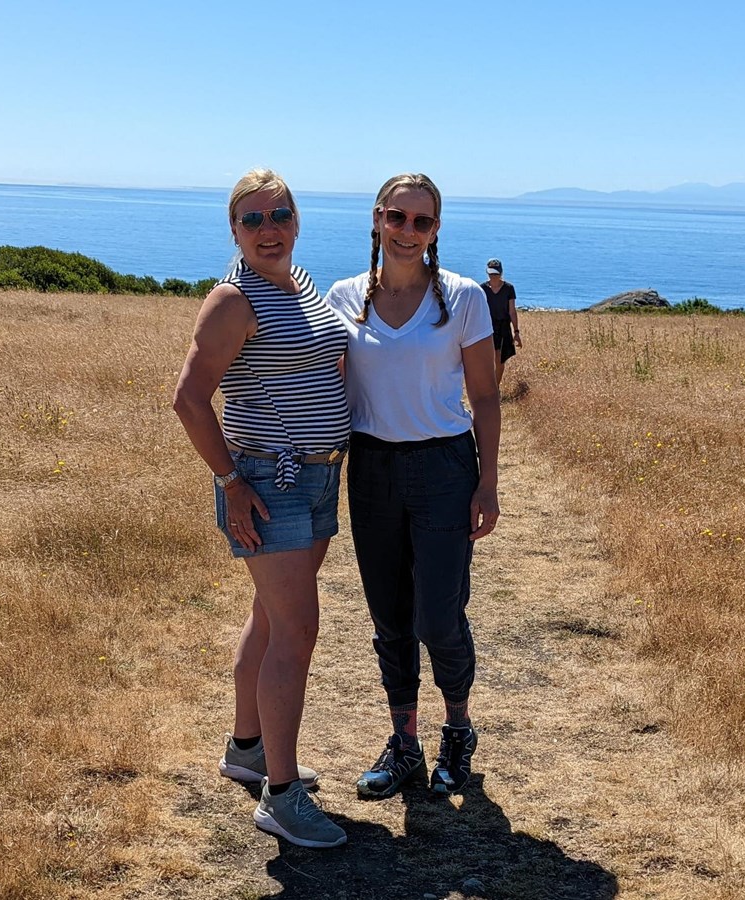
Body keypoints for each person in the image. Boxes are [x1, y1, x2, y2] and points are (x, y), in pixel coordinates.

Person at [172, 169, 350, 849]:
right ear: (233, 230)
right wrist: (229, 481)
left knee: (270, 620)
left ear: (297, 220)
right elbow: (188, 400)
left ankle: (247, 749)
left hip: (316, 478)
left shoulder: (299, 285)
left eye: (280, 214)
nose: (268, 228)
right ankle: (281, 796)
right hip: (269, 484)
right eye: (252, 219)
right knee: (296, 634)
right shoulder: (233, 299)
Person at [323, 173, 501, 799]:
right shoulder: (344, 296)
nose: (407, 231)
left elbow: (483, 395)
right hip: (371, 468)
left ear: (436, 231)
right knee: (389, 616)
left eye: (421, 222)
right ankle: (405, 740)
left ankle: (458, 729)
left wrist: (488, 484)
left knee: (438, 615)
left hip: (444, 469)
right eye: (396, 217)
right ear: (376, 219)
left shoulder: (464, 297)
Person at [482, 258, 522, 386]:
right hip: (487, 327)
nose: (494, 276)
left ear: (501, 273)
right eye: (491, 273)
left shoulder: (509, 288)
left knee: (500, 359)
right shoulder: (481, 289)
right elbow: (478, 311)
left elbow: (512, 311)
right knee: (488, 359)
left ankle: (495, 388)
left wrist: (516, 332)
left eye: (496, 273)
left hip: (503, 327)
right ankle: (488, 387)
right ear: (487, 273)